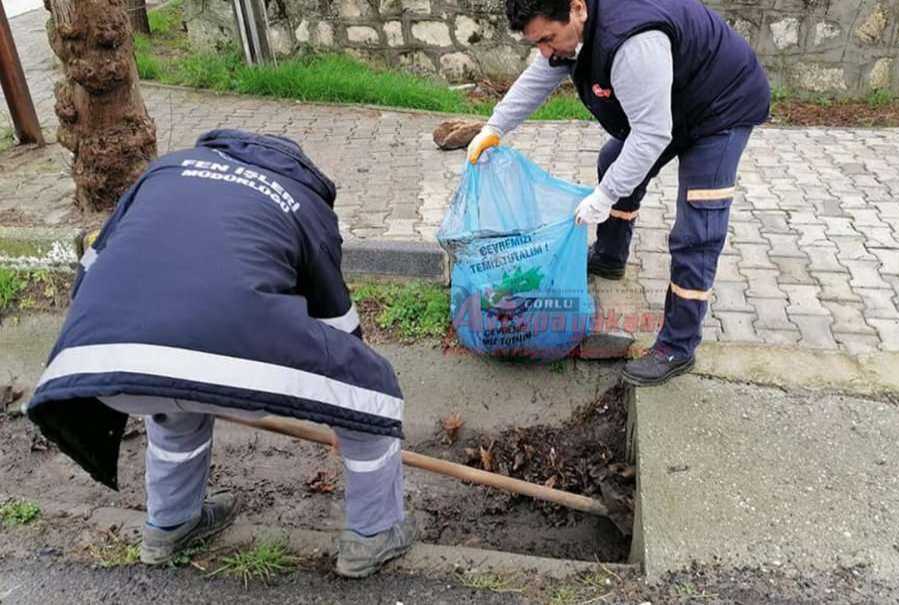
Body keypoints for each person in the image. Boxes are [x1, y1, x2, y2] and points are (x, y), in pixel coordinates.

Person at [27, 129, 414, 578]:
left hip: (93, 357)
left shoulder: (163, 171)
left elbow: (91, 268)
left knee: (173, 400)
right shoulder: (303, 202)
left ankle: (170, 524)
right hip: (217, 345)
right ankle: (375, 533)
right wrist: (346, 411)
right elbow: (340, 329)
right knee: (374, 391)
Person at [467, 0, 770, 386]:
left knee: (698, 226)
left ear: (576, 9)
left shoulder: (630, 43)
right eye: (536, 43)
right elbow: (539, 76)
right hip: (676, 99)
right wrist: (494, 127)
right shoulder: (575, 31)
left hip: (721, 105)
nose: (545, 51)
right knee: (616, 161)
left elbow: (651, 135)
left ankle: (678, 346)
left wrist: (604, 196)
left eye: (547, 39)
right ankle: (610, 256)